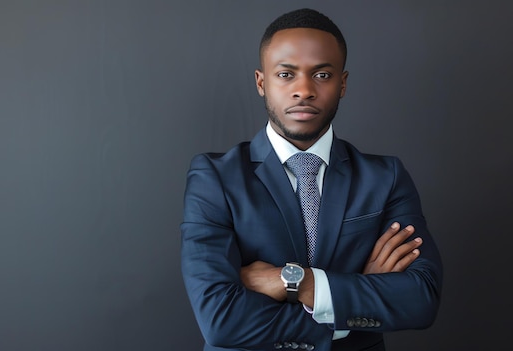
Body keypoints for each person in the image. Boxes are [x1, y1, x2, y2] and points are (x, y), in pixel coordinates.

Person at [180, 7, 443, 351]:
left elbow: (420, 299)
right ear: (262, 82)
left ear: (343, 83)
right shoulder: (215, 177)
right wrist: (351, 302)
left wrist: (299, 283)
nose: (303, 90)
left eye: (321, 75)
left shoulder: (385, 177)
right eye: (286, 74)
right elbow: (221, 319)